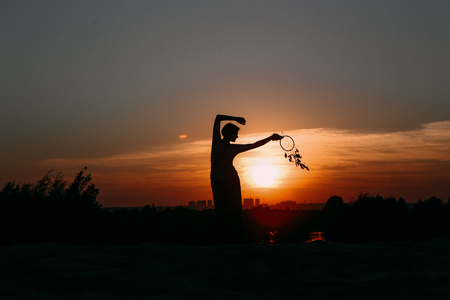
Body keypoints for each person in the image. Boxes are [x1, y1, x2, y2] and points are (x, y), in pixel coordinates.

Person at [210, 114, 283, 243]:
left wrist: (271, 138)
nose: (237, 137)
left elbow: (254, 145)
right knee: (222, 213)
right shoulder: (217, 142)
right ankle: (225, 240)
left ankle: (236, 241)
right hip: (218, 182)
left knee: (234, 213)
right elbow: (218, 118)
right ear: (229, 134)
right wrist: (236, 118)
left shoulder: (229, 147)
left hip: (231, 181)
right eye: (235, 134)